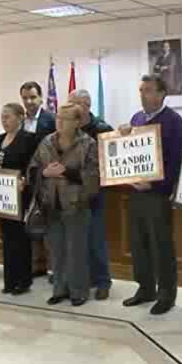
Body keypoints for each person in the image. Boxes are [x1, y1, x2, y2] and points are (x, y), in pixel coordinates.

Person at [120, 74, 182, 315]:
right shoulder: (136, 119)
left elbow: (177, 161)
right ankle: (145, 288)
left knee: (161, 245)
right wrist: (123, 135)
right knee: (139, 243)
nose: (143, 95)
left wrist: (156, 184)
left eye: (148, 90)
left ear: (161, 94)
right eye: (141, 90)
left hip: (158, 194)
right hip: (135, 193)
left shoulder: (173, 120)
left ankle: (166, 294)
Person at [28, 103, 99, 307]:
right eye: (58, 117)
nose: (59, 121)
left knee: (76, 251)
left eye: (65, 118)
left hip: (76, 204)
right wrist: (44, 173)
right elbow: (33, 168)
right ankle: (59, 289)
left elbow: (94, 176)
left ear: (77, 122)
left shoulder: (88, 144)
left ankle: (78, 291)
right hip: (51, 203)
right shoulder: (47, 141)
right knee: (56, 251)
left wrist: (66, 172)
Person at [68, 89, 113, 300]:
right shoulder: (68, 130)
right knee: (78, 239)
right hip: (71, 193)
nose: (70, 106)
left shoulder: (102, 128)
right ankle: (85, 277)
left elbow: (111, 160)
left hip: (94, 193)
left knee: (96, 238)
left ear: (86, 105)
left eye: (73, 103)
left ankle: (103, 281)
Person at [0, 103, 37, 295]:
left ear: (20, 118)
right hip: (2, 197)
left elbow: (32, 166)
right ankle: (9, 279)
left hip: (20, 196)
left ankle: (23, 280)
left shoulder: (28, 139)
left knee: (20, 239)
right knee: (7, 237)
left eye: (8, 117)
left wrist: (26, 181)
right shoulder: (0, 138)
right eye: (2, 117)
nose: (4, 120)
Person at [20, 81, 56, 278]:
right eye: (25, 98)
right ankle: (37, 264)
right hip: (26, 180)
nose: (29, 102)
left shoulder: (50, 119)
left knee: (49, 224)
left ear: (41, 97)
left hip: (46, 179)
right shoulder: (21, 121)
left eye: (32, 97)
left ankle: (52, 266)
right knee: (31, 222)